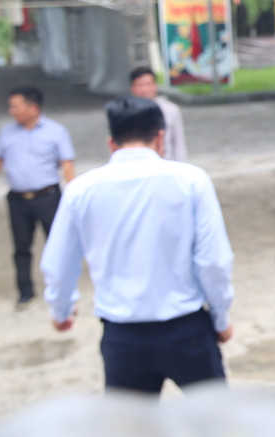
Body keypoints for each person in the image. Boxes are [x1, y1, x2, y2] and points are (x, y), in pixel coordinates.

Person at [40, 97, 234, 393]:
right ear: (160, 136)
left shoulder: (81, 190)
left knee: (130, 434)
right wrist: (221, 317)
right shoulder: (191, 181)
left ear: (111, 142)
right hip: (187, 331)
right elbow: (213, 260)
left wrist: (61, 310)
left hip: (122, 337)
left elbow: (58, 263)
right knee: (217, 428)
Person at [0, 86, 76, 309]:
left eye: (16, 106)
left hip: (48, 197)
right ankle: (25, 292)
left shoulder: (56, 131)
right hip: (18, 199)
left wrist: (72, 192)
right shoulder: (7, 132)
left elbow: (67, 164)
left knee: (57, 245)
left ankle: (63, 290)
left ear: (33, 108)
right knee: (21, 247)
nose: (12, 111)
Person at [130, 66, 187, 162]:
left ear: (155, 85)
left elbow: (178, 142)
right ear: (132, 88)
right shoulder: (127, 113)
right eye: (140, 85)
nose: (145, 90)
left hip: (167, 163)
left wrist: (182, 166)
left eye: (148, 84)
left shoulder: (171, 110)